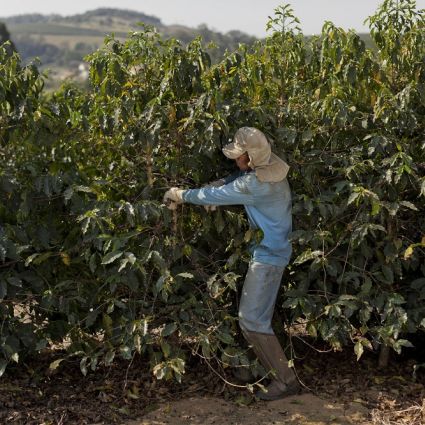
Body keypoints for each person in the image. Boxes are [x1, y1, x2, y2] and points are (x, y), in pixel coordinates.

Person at [163, 127, 300, 400]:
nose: (236, 160)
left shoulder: (255, 184)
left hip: (268, 257)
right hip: (270, 252)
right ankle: (255, 370)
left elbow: (216, 195)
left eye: (239, 156)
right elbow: (234, 179)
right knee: (252, 320)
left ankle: (286, 381)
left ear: (251, 157)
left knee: (252, 321)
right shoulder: (270, 169)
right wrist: (218, 185)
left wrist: (178, 194)